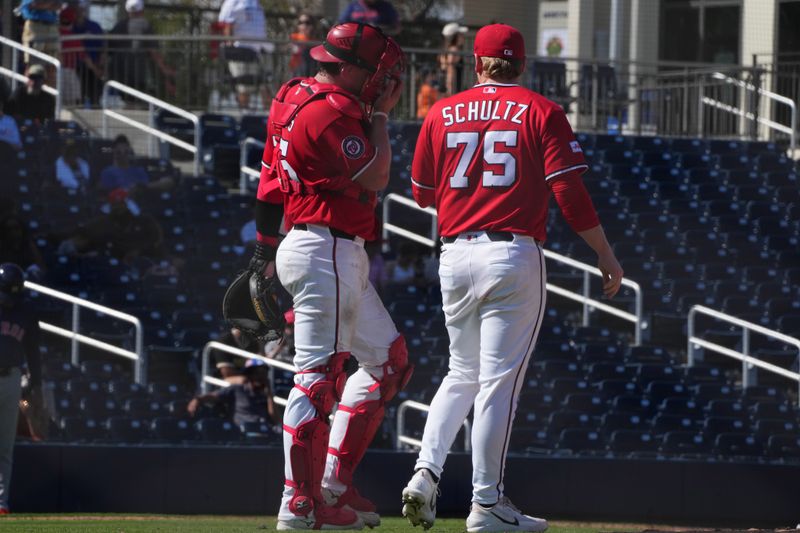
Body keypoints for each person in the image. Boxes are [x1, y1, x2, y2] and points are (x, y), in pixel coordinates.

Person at [401, 24, 624, 533]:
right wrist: (605, 252)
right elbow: (568, 191)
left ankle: (425, 472)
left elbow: (421, 193)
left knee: (461, 373)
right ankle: (487, 504)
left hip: (455, 253)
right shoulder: (540, 110)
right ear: (521, 65)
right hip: (511, 252)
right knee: (497, 384)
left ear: (476, 64)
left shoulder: (440, 111)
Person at [251, 21, 407, 530]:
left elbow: (269, 183)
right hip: (327, 247)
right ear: (346, 67)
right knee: (317, 382)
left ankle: (332, 486)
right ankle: (299, 503)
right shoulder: (327, 110)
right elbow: (378, 175)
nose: (380, 84)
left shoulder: (291, 96)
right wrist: (382, 116)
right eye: (376, 74)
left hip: (321, 246)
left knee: (389, 363)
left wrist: (265, 250)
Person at [0, 263, 43, 515]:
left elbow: (33, 350)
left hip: (12, 379)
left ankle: (1, 503)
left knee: (4, 445)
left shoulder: (25, 310)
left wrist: (35, 382)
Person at [108, 0, 176, 97]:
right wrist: (164, 69)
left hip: (119, 73)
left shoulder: (118, 26)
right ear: (142, 10)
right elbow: (153, 51)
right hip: (138, 74)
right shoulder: (145, 25)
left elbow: (108, 49)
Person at [187, 358, 278, 427]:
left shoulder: (265, 395)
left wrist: (269, 394)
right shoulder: (236, 389)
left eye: (264, 374)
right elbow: (214, 396)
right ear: (249, 374)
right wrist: (197, 399)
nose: (261, 377)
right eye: (258, 373)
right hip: (243, 433)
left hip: (263, 430)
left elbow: (275, 420)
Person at [217, 0, 274, 109]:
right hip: (241, 51)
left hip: (261, 50)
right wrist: (231, 48)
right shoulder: (232, 2)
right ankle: (243, 114)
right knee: (244, 88)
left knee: (266, 85)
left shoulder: (256, 3)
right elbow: (227, 24)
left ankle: (270, 116)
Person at [99, 134, 173, 192]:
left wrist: (140, 188)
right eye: (119, 152)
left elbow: (145, 186)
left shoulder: (138, 170)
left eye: (126, 152)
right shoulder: (108, 172)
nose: (122, 155)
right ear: (114, 152)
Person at [72, 1, 106, 106]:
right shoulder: (69, 26)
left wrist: (100, 66)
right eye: (77, 8)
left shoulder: (94, 26)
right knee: (79, 95)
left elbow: (103, 47)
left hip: (93, 68)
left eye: (82, 8)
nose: (79, 11)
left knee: (95, 94)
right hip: (75, 68)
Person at [17, 0, 61, 64]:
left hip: (52, 26)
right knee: (33, 65)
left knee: (53, 63)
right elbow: (35, 5)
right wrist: (50, 4)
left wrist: (45, 4)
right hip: (35, 27)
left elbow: (58, 5)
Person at [439, 22, 468, 96]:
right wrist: (450, 90)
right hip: (453, 89)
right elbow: (450, 70)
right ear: (455, 37)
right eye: (461, 35)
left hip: (450, 88)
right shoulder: (454, 50)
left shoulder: (447, 49)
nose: (463, 37)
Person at [288, 13, 317, 78]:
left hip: (310, 72)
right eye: (300, 22)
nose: (304, 25)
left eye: (307, 23)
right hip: (295, 70)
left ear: (312, 25)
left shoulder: (314, 41)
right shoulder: (293, 37)